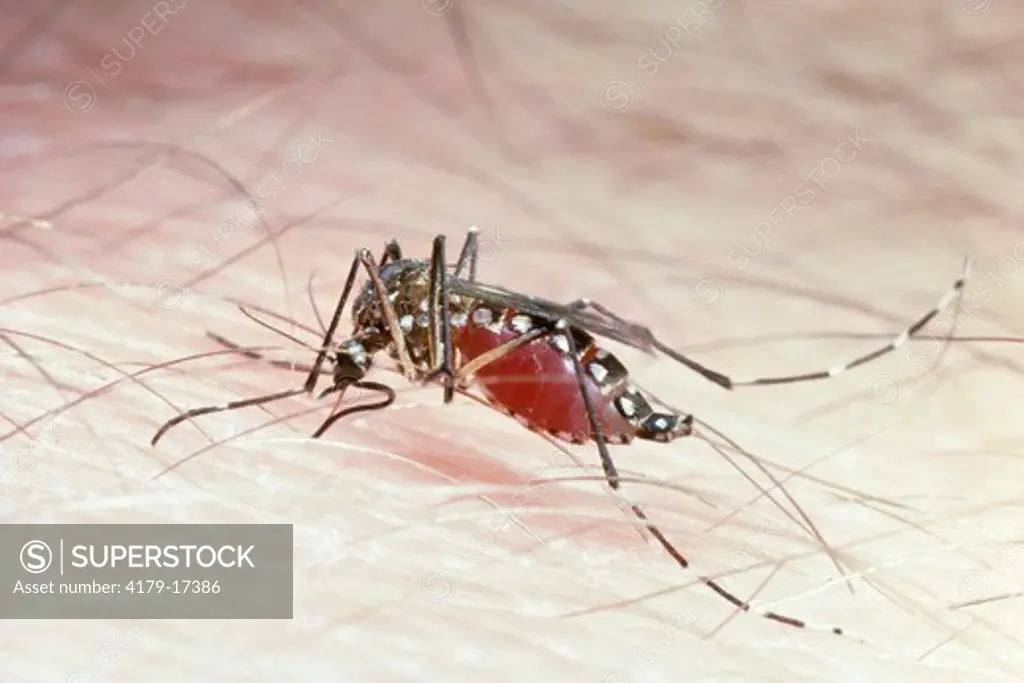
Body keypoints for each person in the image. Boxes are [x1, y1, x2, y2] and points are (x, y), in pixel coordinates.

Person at [2, 2, 1021, 681]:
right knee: (409, 275)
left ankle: (686, 441)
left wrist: (361, 363)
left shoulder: (416, 315)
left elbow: (437, 298)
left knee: (427, 280)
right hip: (499, 342)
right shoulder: (398, 309)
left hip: (525, 347)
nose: (355, 358)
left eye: (344, 360)